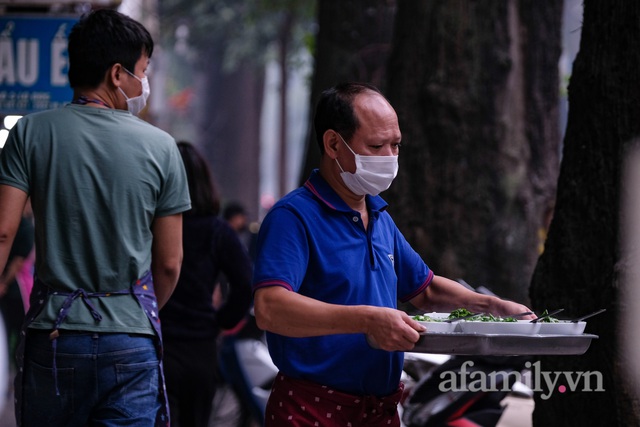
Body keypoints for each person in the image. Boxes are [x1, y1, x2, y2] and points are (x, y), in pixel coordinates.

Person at [251, 82, 535, 427]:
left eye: (396, 145)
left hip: (378, 412)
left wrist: (491, 307)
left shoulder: (379, 218)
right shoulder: (293, 217)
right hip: (311, 410)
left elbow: (425, 290)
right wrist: (367, 319)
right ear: (333, 144)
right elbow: (270, 308)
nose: (389, 157)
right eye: (375, 145)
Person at [0, 9, 190, 427]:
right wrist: (134, 313)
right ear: (117, 74)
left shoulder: (29, 133)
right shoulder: (162, 148)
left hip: (53, 336)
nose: (146, 83)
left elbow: (3, 231)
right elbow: (170, 263)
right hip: (130, 338)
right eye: (143, 70)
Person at [160, 141, 252, 427]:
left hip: (158, 343)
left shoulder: (152, 226)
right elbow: (245, 283)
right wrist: (221, 320)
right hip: (201, 347)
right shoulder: (217, 231)